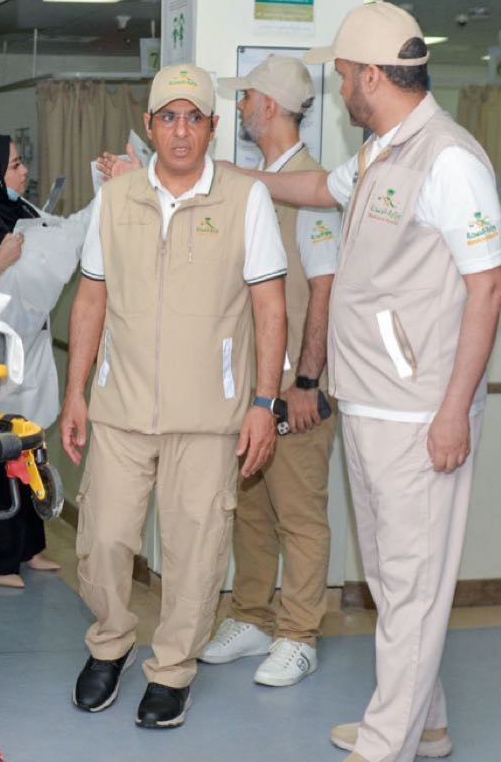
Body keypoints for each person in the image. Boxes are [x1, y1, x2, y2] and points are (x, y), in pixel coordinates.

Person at [235, 2, 501, 762]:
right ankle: (426, 722)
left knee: (411, 583)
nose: (342, 87)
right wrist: (231, 177)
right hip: (370, 401)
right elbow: (319, 189)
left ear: (374, 78)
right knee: (393, 580)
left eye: (346, 74)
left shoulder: (448, 159)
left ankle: (388, 742)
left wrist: (453, 411)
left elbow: (488, 290)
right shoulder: (383, 150)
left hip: (420, 411)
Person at [60, 64, 288, 728]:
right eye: (168, 117)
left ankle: (172, 669)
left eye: (194, 118)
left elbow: (269, 308)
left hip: (209, 415)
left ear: (214, 127)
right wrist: (76, 392)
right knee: (104, 537)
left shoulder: (246, 199)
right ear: (150, 125)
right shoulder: (116, 198)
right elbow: (91, 299)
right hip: (120, 406)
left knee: (194, 549)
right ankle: (110, 641)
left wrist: (264, 402)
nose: (181, 131)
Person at [197, 55, 342, 687]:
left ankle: (299, 633)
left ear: (272, 107)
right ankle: (253, 617)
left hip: (295, 388)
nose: (241, 107)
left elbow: (325, 291)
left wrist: (306, 384)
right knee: (251, 507)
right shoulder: (259, 184)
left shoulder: (315, 192)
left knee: (300, 515)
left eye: (247, 97)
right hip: (255, 388)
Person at [0, 133, 94, 589]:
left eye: (21, 162)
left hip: (28, 357)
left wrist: (106, 192)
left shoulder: (24, 214)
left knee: (28, 453)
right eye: (13, 165)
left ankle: (28, 548)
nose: (24, 171)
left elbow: (70, 235)